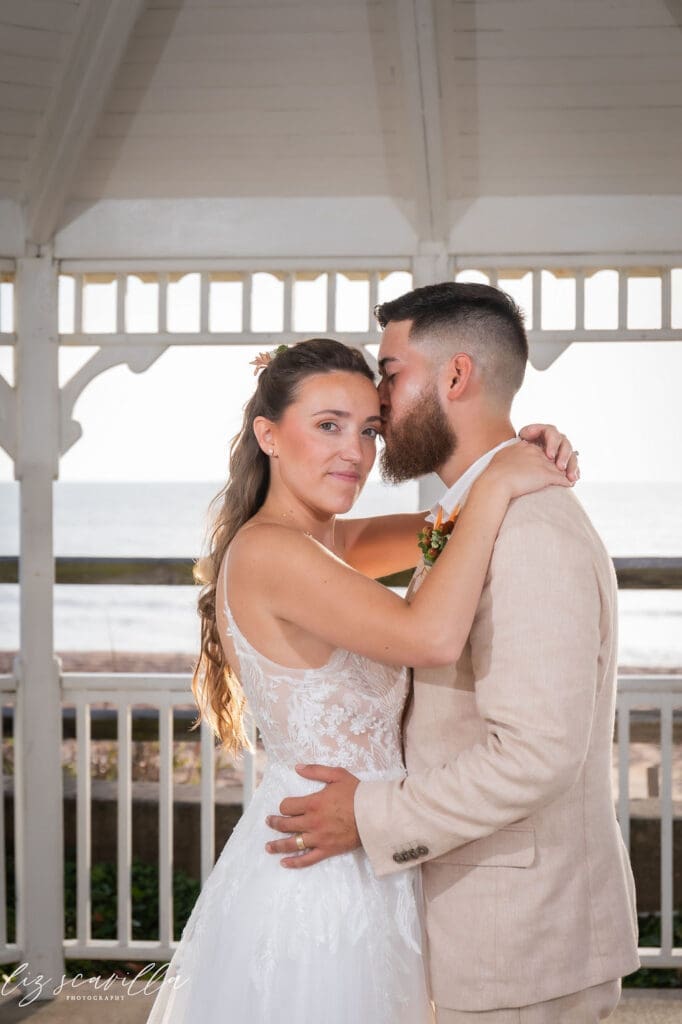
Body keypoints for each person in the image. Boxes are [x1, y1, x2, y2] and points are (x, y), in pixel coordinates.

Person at [145, 334, 577, 1024]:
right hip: (316, 874)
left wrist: (517, 452)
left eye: (370, 429)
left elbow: (448, 529)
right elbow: (430, 637)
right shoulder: (271, 552)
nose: (355, 451)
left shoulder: (334, 543)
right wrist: (499, 484)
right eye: (327, 426)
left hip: (367, 846)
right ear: (270, 435)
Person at [265, 284, 641, 1023]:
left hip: (523, 940)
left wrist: (370, 817)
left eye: (391, 372)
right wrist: (501, 471)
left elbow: (535, 753)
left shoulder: (528, 526)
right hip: (477, 929)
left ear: (456, 377)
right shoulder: (481, 510)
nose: (378, 402)